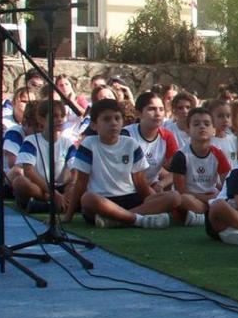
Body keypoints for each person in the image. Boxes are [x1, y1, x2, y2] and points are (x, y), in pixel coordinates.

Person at [68, 98, 177, 229]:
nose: (113, 123)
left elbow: (141, 184)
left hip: (130, 198)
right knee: (87, 199)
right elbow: (81, 183)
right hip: (103, 201)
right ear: (93, 125)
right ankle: (137, 219)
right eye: (106, 119)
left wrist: (157, 200)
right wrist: (69, 215)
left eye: (117, 118)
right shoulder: (89, 144)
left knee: (174, 197)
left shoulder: (131, 144)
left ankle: (119, 219)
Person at [168, 106, 231, 227]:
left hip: (212, 197)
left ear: (213, 130)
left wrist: (218, 197)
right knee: (181, 199)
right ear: (188, 129)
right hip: (190, 199)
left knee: (226, 201)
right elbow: (181, 191)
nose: (202, 127)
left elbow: (226, 185)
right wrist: (206, 199)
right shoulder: (181, 156)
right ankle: (209, 215)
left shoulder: (218, 154)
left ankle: (203, 216)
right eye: (196, 124)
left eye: (207, 124)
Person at [12, 99, 76, 215]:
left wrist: (69, 188)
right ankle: (54, 201)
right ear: (41, 119)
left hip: (61, 187)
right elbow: (29, 172)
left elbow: (75, 170)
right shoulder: (31, 141)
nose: (60, 119)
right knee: (20, 182)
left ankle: (49, 205)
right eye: (54, 116)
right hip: (41, 187)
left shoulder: (67, 143)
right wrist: (53, 194)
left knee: (79, 186)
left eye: (62, 116)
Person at [123, 92, 179, 193]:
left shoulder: (167, 136)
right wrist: (151, 194)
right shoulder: (127, 134)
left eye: (161, 109)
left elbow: (178, 170)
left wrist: (161, 184)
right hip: (126, 189)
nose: (158, 114)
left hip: (151, 186)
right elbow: (127, 173)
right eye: (151, 109)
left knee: (174, 197)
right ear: (138, 114)